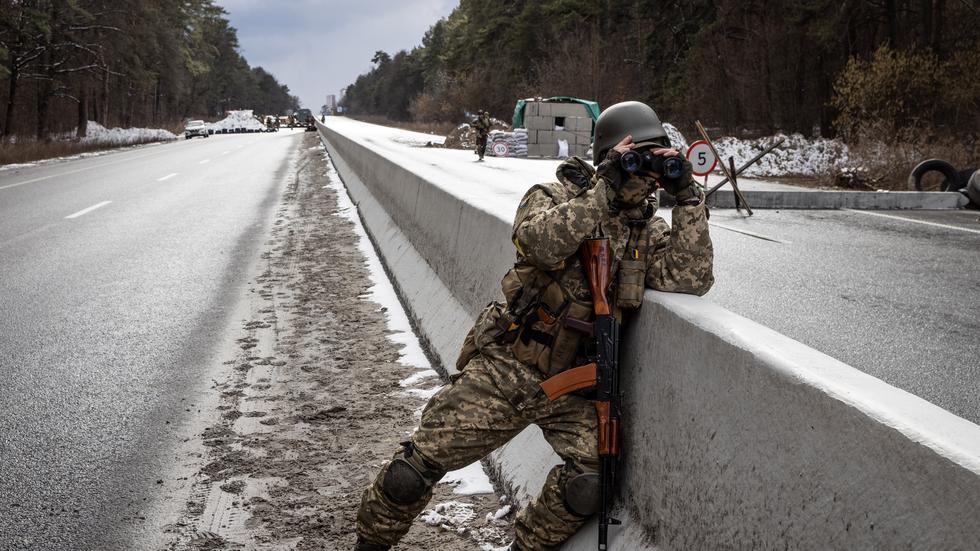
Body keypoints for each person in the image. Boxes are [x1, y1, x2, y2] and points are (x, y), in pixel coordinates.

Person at [354, 101, 714, 551]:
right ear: (605, 155)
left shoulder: (646, 230)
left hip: (572, 386)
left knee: (589, 482)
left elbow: (691, 278)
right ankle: (369, 543)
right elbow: (538, 244)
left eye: (653, 157)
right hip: (509, 365)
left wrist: (687, 197)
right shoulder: (554, 196)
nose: (642, 169)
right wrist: (604, 187)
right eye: (634, 155)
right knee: (412, 472)